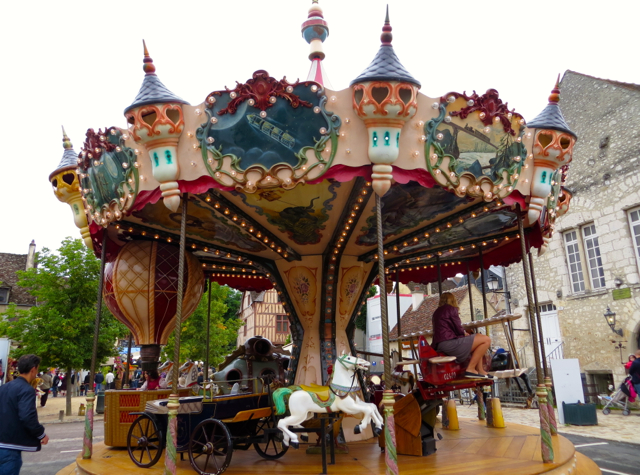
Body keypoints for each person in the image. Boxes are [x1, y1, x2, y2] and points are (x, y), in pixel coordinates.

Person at [0, 354, 49, 474]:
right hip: (10, 446)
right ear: (33, 369)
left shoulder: (4, 387)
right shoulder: (26, 389)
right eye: (37, 369)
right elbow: (27, 416)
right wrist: (41, 434)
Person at [431, 292, 492, 379]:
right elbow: (458, 328)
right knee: (486, 340)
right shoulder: (451, 309)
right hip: (450, 342)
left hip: (441, 344)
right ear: (453, 300)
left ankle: (480, 370)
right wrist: (465, 334)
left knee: (478, 343)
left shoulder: (436, 312)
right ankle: (470, 369)